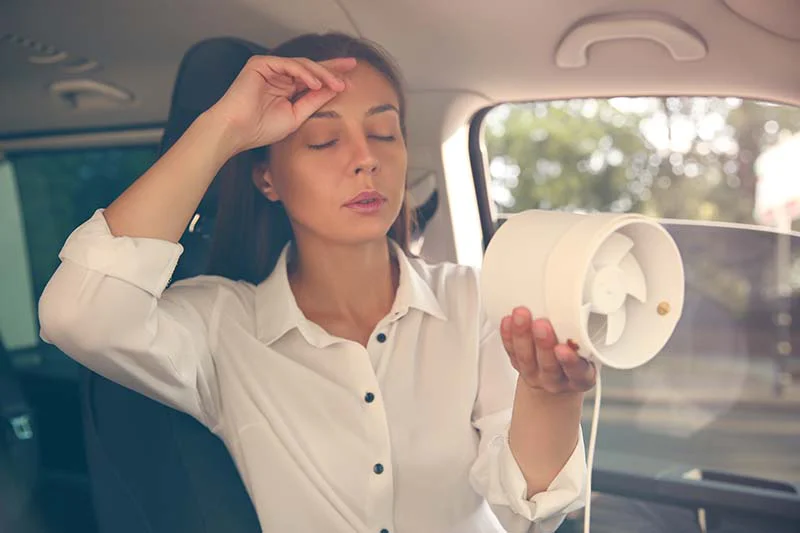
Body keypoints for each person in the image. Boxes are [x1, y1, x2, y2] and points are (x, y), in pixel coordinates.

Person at [38, 32, 595, 533]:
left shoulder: (475, 298)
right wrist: (224, 127)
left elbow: (529, 510)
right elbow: (78, 315)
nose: (365, 160)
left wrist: (549, 396)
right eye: (324, 142)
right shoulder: (221, 325)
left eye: (383, 132)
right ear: (267, 177)